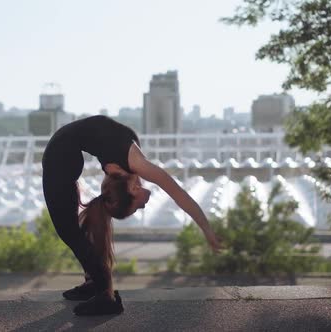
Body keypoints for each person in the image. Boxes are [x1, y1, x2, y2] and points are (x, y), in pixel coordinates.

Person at [42, 115, 220, 316]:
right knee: (70, 231)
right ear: (133, 190)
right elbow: (179, 194)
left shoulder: (117, 176)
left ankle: (98, 287)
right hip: (60, 152)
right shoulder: (136, 164)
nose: (142, 208)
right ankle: (102, 292)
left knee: (71, 231)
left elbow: (107, 205)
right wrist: (206, 229)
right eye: (136, 208)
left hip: (62, 153)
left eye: (136, 208)